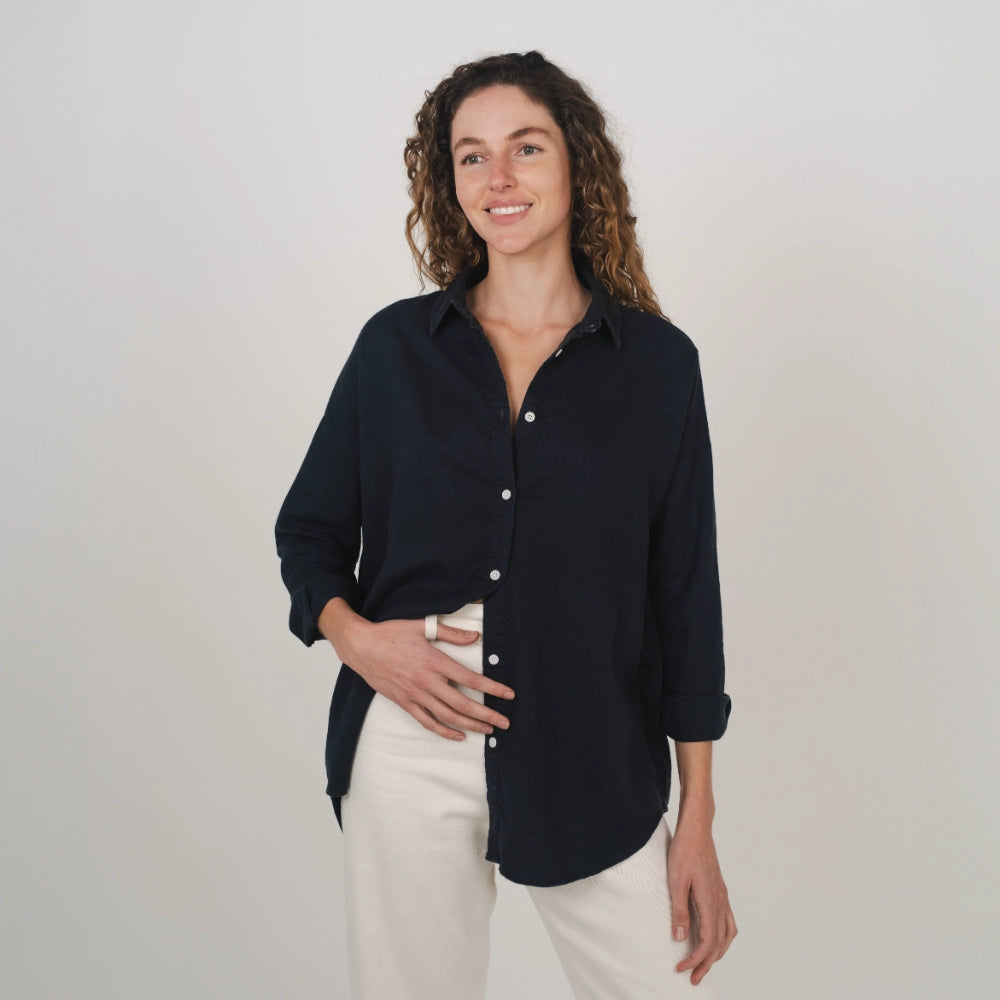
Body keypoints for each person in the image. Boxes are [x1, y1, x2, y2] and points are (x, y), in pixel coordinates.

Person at [275, 50, 736, 999]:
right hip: (412, 727)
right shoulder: (395, 350)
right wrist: (362, 642)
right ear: (450, 183)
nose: (499, 178)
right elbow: (309, 532)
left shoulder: (657, 366)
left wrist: (696, 818)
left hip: (591, 737)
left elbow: (685, 594)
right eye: (471, 156)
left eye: (525, 147)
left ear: (576, 162)